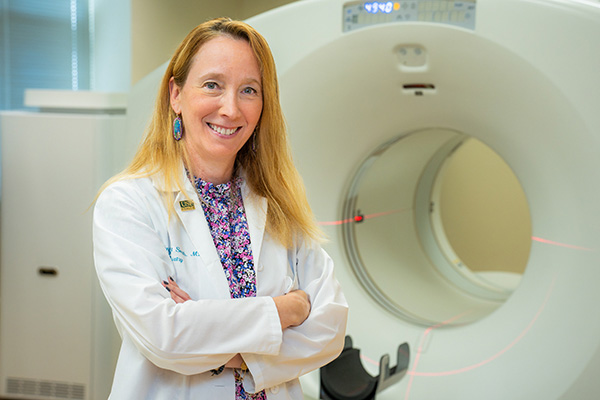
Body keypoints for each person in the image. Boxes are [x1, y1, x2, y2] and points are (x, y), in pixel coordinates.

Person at [93, 17, 348, 400]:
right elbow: (165, 336)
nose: (230, 109)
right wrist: (285, 311)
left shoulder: (277, 202)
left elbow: (329, 328)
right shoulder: (128, 203)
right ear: (175, 94)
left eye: (249, 90)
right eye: (213, 85)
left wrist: (216, 338)